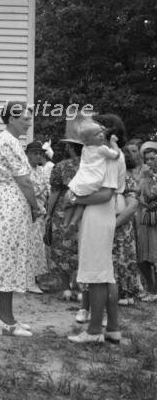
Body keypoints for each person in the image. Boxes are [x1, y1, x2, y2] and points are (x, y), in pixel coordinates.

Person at [0, 101, 39, 337]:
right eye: (25, 118)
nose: (29, 122)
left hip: (12, 202)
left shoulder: (12, 141)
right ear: (12, 119)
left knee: (11, 259)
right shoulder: (7, 141)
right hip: (9, 203)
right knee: (5, 259)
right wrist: (36, 206)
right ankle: (5, 320)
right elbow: (24, 180)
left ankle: (9, 317)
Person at [67, 113, 127, 344]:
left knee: (96, 275)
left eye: (101, 128)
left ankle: (93, 332)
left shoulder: (109, 157)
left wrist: (73, 200)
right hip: (101, 216)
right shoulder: (107, 155)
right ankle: (112, 328)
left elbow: (105, 193)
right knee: (105, 273)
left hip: (98, 216)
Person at [44, 136, 83, 301]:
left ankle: (66, 288)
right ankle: (81, 288)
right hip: (85, 209)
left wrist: (48, 213)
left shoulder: (61, 166)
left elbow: (54, 192)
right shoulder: (92, 165)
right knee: (81, 248)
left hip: (63, 210)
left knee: (62, 248)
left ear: (71, 148)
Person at [64, 119, 121, 231]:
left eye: (101, 133)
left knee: (72, 199)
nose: (101, 135)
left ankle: (66, 222)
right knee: (82, 201)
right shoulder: (102, 149)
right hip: (94, 179)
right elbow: (116, 155)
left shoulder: (85, 148)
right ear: (88, 140)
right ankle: (74, 221)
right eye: (97, 134)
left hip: (81, 179)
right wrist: (114, 143)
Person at [112, 146, 141, 305]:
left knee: (124, 257)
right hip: (110, 224)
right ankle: (113, 292)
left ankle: (125, 293)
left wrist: (115, 224)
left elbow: (132, 205)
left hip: (121, 226)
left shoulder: (126, 180)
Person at [25, 141, 50, 293]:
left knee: (37, 245)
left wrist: (41, 191)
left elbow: (46, 188)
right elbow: (28, 189)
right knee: (28, 244)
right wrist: (38, 190)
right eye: (35, 153)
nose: (37, 156)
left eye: (40, 153)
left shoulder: (41, 170)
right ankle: (27, 280)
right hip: (28, 210)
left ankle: (34, 277)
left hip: (40, 210)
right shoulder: (23, 170)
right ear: (27, 154)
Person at [136, 141, 157, 301]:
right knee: (143, 257)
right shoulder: (144, 175)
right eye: (147, 159)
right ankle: (150, 288)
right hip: (144, 218)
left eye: (152, 158)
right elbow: (139, 195)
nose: (149, 162)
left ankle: (154, 291)